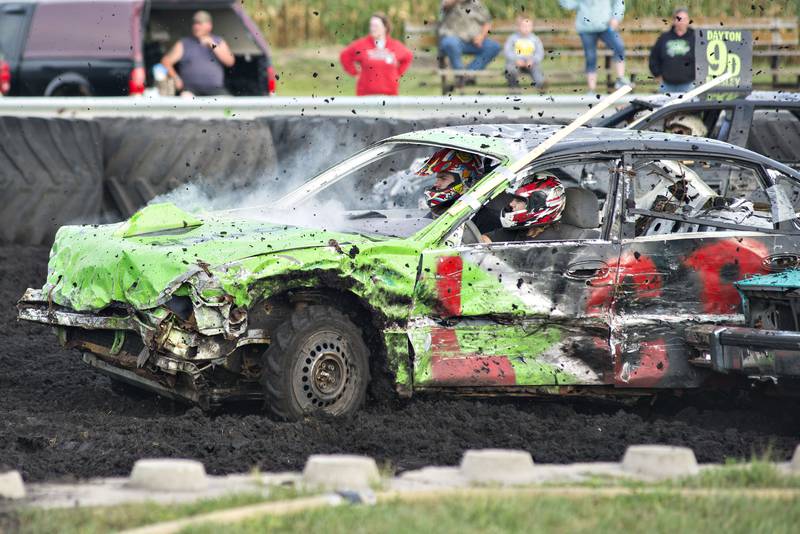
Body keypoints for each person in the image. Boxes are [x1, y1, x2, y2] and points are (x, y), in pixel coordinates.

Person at [558, 0, 630, 94]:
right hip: (586, 28)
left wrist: (616, 17)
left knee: (619, 46)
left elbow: (619, 2)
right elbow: (569, 4)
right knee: (591, 57)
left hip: (606, 26)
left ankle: (620, 79)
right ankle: (592, 90)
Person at [161, 11, 235, 97]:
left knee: (228, 105)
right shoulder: (184, 43)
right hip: (191, 90)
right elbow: (165, 62)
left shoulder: (218, 41)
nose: (196, 26)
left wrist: (212, 44)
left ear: (209, 25)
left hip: (215, 89)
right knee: (185, 100)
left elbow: (230, 62)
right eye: (194, 23)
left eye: (199, 23)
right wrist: (176, 78)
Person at [340, 13, 414, 96]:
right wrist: (354, 72)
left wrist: (397, 73)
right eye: (371, 26)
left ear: (385, 27)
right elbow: (345, 55)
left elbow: (408, 57)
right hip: (365, 94)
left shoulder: (395, 46)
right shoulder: (361, 45)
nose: (373, 29)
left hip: (389, 94)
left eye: (376, 26)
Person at [481, 172, 566, 242]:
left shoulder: (550, 244)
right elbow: (486, 240)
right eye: (514, 199)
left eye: (519, 200)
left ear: (538, 206)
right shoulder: (523, 228)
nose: (511, 204)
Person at [438, 0, 502, 86]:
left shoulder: (477, 3)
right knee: (450, 43)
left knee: (494, 47)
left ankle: (468, 74)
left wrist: (481, 37)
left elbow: (487, 22)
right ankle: (460, 75)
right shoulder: (449, 2)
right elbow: (444, 7)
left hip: (473, 42)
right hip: (454, 39)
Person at [416, 148, 484, 217]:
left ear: (467, 180)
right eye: (437, 178)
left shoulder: (484, 221)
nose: (436, 184)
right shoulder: (433, 215)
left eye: (443, 178)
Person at [649, 7, 695, 94]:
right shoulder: (664, 37)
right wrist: (657, 75)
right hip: (666, 85)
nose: (681, 22)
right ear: (674, 20)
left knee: (688, 107)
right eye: (679, 19)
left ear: (688, 21)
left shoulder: (695, 38)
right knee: (665, 107)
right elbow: (654, 57)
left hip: (689, 85)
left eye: (684, 19)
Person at [503, 15, 545, 89]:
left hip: (530, 62)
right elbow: (507, 51)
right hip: (516, 62)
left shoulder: (535, 39)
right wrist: (515, 60)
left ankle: (540, 84)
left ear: (532, 27)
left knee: (537, 70)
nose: (526, 28)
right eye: (523, 26)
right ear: (518, 26)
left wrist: (533, 60)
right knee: (510, 70)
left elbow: (540, 52)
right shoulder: (512, 38)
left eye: (528, 26)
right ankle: (514, 87)